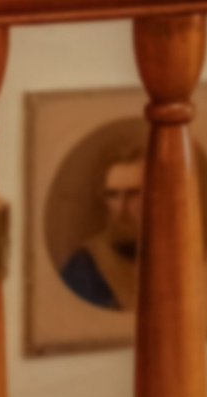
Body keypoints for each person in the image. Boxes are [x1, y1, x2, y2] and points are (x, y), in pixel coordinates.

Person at [59, 131, 146, 310]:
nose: (121, 208)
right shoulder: (84, 269)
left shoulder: (176, 257)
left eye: (133, 194)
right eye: (113, 195)